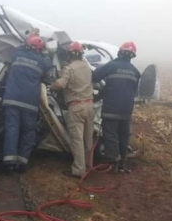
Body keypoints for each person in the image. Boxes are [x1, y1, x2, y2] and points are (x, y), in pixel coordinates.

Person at [2, 35, 53, 173]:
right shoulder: (41, 61)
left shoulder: (17, 54)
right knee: (28, 132)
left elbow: (17, 48)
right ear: (39, 49)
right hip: (29, 102)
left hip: (12, 99)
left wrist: (26, 41)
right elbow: (49, 64)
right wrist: (45, 52)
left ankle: (9, 162)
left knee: (12, 129)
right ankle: (22, 162)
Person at [92, 41, 140, 173]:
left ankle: (113, 161)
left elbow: (95, 77)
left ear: (120, 52)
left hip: (111, 107)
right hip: (126, 109)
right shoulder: (135, 71)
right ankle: (122, 162)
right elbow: (134, 90)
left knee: (110, 134)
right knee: (123, 134)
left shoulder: (112, 66)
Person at [51, 41, 94, 178]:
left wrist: (52, 84)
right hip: (89, 106)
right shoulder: (87, 67)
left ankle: (78, 170)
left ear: (69, 54)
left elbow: (61, 84)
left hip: (76, 107)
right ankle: (88, 165)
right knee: (88, 139)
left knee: (77, 140)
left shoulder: (69, 68)